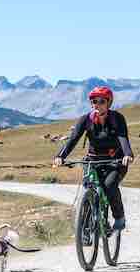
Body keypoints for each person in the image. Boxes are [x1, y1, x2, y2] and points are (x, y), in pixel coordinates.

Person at [52, 86, 134, 230]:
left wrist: (127, 154)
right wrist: (60, 156)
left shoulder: (117, 119)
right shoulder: (86, 120)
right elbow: (73, 139)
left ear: (108, 103)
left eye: (101, 101)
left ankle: (119, 217)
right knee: (88, 188)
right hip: (93, 160)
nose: (97, 104)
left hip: (115, 161)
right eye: (94, 101)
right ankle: (85, 228)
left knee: (109, 185)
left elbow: (123, 137)